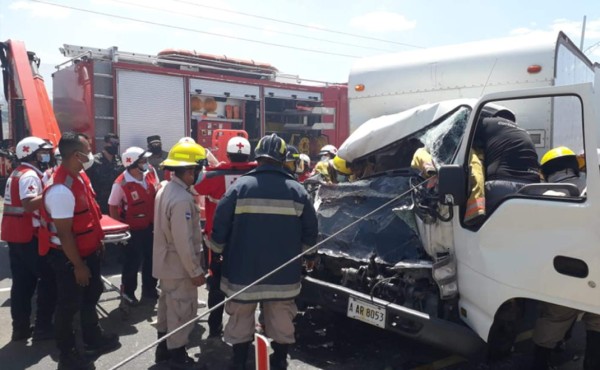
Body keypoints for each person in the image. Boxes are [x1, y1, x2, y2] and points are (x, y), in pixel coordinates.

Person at [209, 133, 319, 370]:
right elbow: (311, 230)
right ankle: (279, 361)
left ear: (257, 158)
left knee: (240, 319)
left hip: (242, 273)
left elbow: (220, 225)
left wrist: (216, 253)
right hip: (283, 276)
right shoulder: (297, 191)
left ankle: (239, 362)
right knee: (281, 320)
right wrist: (309, 257)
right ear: (282, 160)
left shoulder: (240, 187)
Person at [39, 132, 120, 370]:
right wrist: (79, 266)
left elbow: (90, 216)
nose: (91, 152)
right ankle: (69, 355)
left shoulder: (80, 177)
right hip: (70, 259)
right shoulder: (61, 190)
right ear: (77, 155)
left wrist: (97, 243)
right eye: (88, 148)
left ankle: (93, 338)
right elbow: (65, 235)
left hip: (88, 251)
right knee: (69, 305)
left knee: (92, 294)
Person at [531, 146, 600, 370]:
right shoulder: (593, 186)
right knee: (597, 320)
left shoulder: (549, 193)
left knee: (555, 319)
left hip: (566, 270)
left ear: (549, 170)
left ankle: (541, 364)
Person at [194, 136, 256, 339]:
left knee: (217, 284)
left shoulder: (214, 176)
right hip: (248, 241)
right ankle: (245, 328)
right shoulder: (258, 175)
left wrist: (214, 165)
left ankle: (214, 327)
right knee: (247, 284)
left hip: (219, 242)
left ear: (228, 155)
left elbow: (194, 186)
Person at [153, 140, 207, 369]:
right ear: (189, 171)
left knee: (167, 307)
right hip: (179, 266)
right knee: (182, 310)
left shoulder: (166, 188)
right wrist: (195, 271)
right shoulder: (182, 199)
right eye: (197, 169)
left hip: (167, 265)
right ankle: (177, 357)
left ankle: (163, 351)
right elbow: (183, 241)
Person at [1, 136, 56, 341]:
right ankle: (43, 326)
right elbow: (29, 204)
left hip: (16, 236)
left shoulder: (18, 172)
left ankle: (21, 328)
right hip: (28, 237)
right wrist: (52, 189)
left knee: (22, 284)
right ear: (31, 154)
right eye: (43, 152)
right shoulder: (30, 175)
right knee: (48, 280)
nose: (47, 155)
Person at [108, 146, 159, 305]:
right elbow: (113, 206)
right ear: (133, 164)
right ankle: (128, 293)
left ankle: (150, 290)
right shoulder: (121, 183)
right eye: (143, 161)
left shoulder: (150, 172)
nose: (147, 163)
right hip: (132, 230)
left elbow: (157, 189)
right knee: (132, 262)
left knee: (151, 259)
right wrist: (120, 230)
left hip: (150, 226)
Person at [473, 116, 540, 214]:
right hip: (533, 186)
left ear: (495, 116)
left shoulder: (487, 122)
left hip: (502, 184)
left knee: (493, 226)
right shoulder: (524, 131)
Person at [86, 133, 124, 214]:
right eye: (113, 143)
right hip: (100, 203)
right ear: (105, 143)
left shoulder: (119, 160)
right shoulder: (94, 161)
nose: (115, 146)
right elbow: (87, 182)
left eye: (117, 143)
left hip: (116, 203)